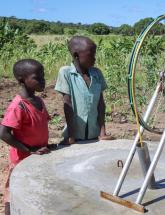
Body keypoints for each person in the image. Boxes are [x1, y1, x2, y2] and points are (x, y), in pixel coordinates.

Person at [0, 59, 50, 215]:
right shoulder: (18, 105)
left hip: (37, 155)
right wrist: (28, 149)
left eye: (43, 76)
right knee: (14, 192)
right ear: (22, 80)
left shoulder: (38, 101)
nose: (43, 80)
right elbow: (3, 133)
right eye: (37, 77)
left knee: (32, 190)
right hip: (21, 159)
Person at [55, 36, 113, 144]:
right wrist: (71, 136)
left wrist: (102, 132)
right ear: (76, 55)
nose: (94, 59)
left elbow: (101, 103)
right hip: (75, 134)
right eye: (91, 55)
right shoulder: (66, 72)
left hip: (95, 134)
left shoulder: (96, 73)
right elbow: (67, 104)